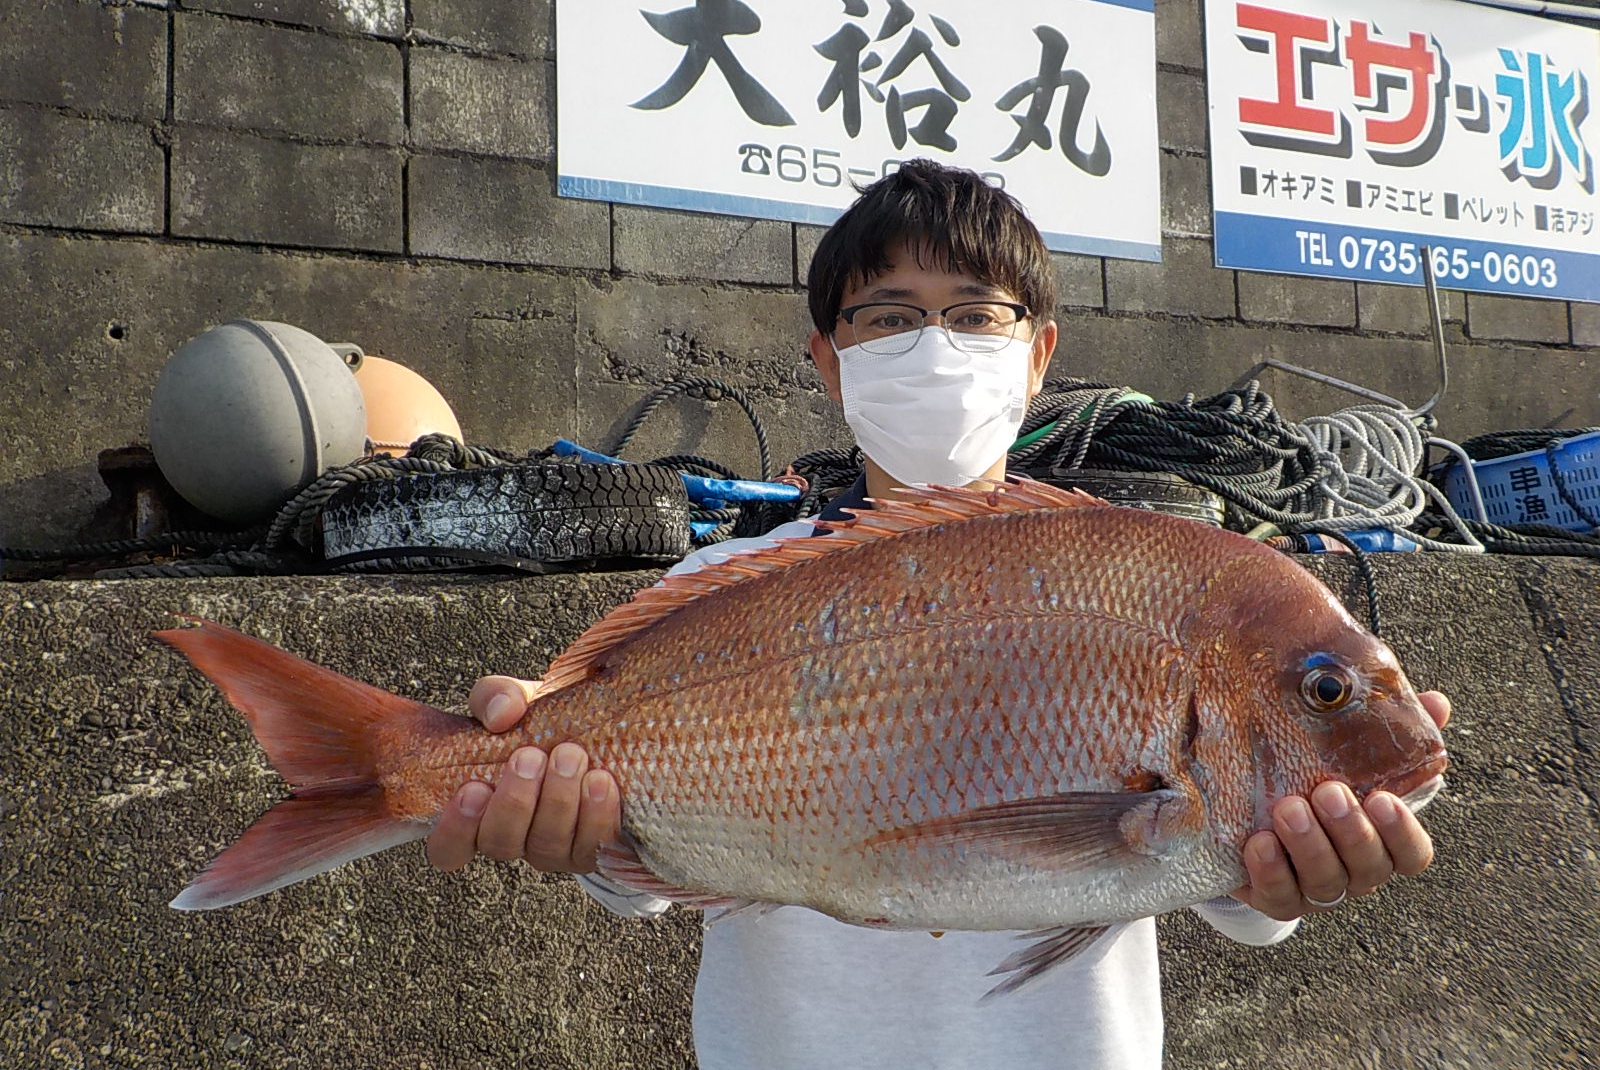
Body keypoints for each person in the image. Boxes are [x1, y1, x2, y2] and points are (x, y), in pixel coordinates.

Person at [426, 160, 1451, 1069]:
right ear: (829, 360)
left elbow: (1212, 878)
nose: (935, 344)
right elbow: (642, 878)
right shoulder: (734, 580)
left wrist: (1278, 884)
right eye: (888, 317)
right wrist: (569, 827)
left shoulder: (1149, 565)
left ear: (1037, 353)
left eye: (975, 314)